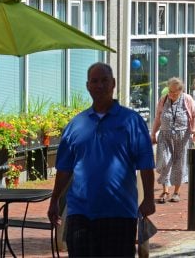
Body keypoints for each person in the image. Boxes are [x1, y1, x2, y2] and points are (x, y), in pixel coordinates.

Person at [49, 63, 156, 257]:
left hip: (119, 213)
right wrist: (55, 199)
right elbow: (64, 169)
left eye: (104, 80)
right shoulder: (76, 124)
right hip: (80, 214)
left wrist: (149, 198)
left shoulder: (131, 121)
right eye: (95, 81)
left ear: (113, 83)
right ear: (88, 86)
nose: (99, 86)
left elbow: (146, 164)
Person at [151, 76, 195, 204]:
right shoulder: (163, 99)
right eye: (170, 91)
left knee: (180, 163)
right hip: (165, 136)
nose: (172, 94)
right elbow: (158, 118)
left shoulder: (187, 99)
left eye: (175, 92)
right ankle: (165, 190)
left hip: (182, 136)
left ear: (181, 91)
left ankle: (176, 192)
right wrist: (153, 134)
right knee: (164, 161)